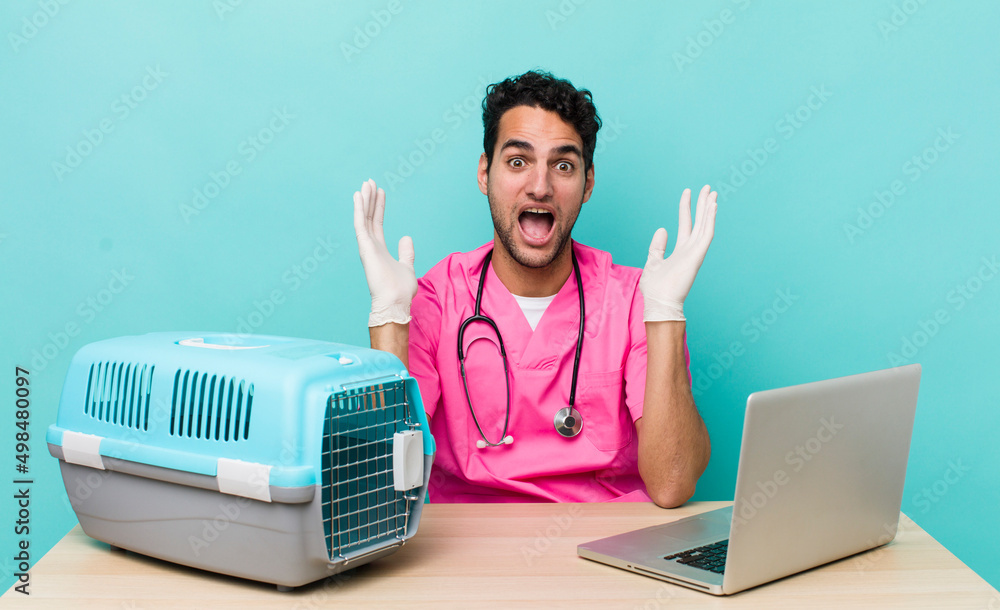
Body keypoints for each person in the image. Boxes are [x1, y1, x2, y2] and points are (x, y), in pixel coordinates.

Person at [353, 70, 717, 507]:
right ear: (485, 174)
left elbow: (672, 483)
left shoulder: (634, 301)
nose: (540, 186)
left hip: (608, 549)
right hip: (467, 554)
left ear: (588, 183)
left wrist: (665, 314)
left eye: (563, 165)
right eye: (518, 161)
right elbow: (381, 484)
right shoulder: (436, 301)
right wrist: (390, 317)